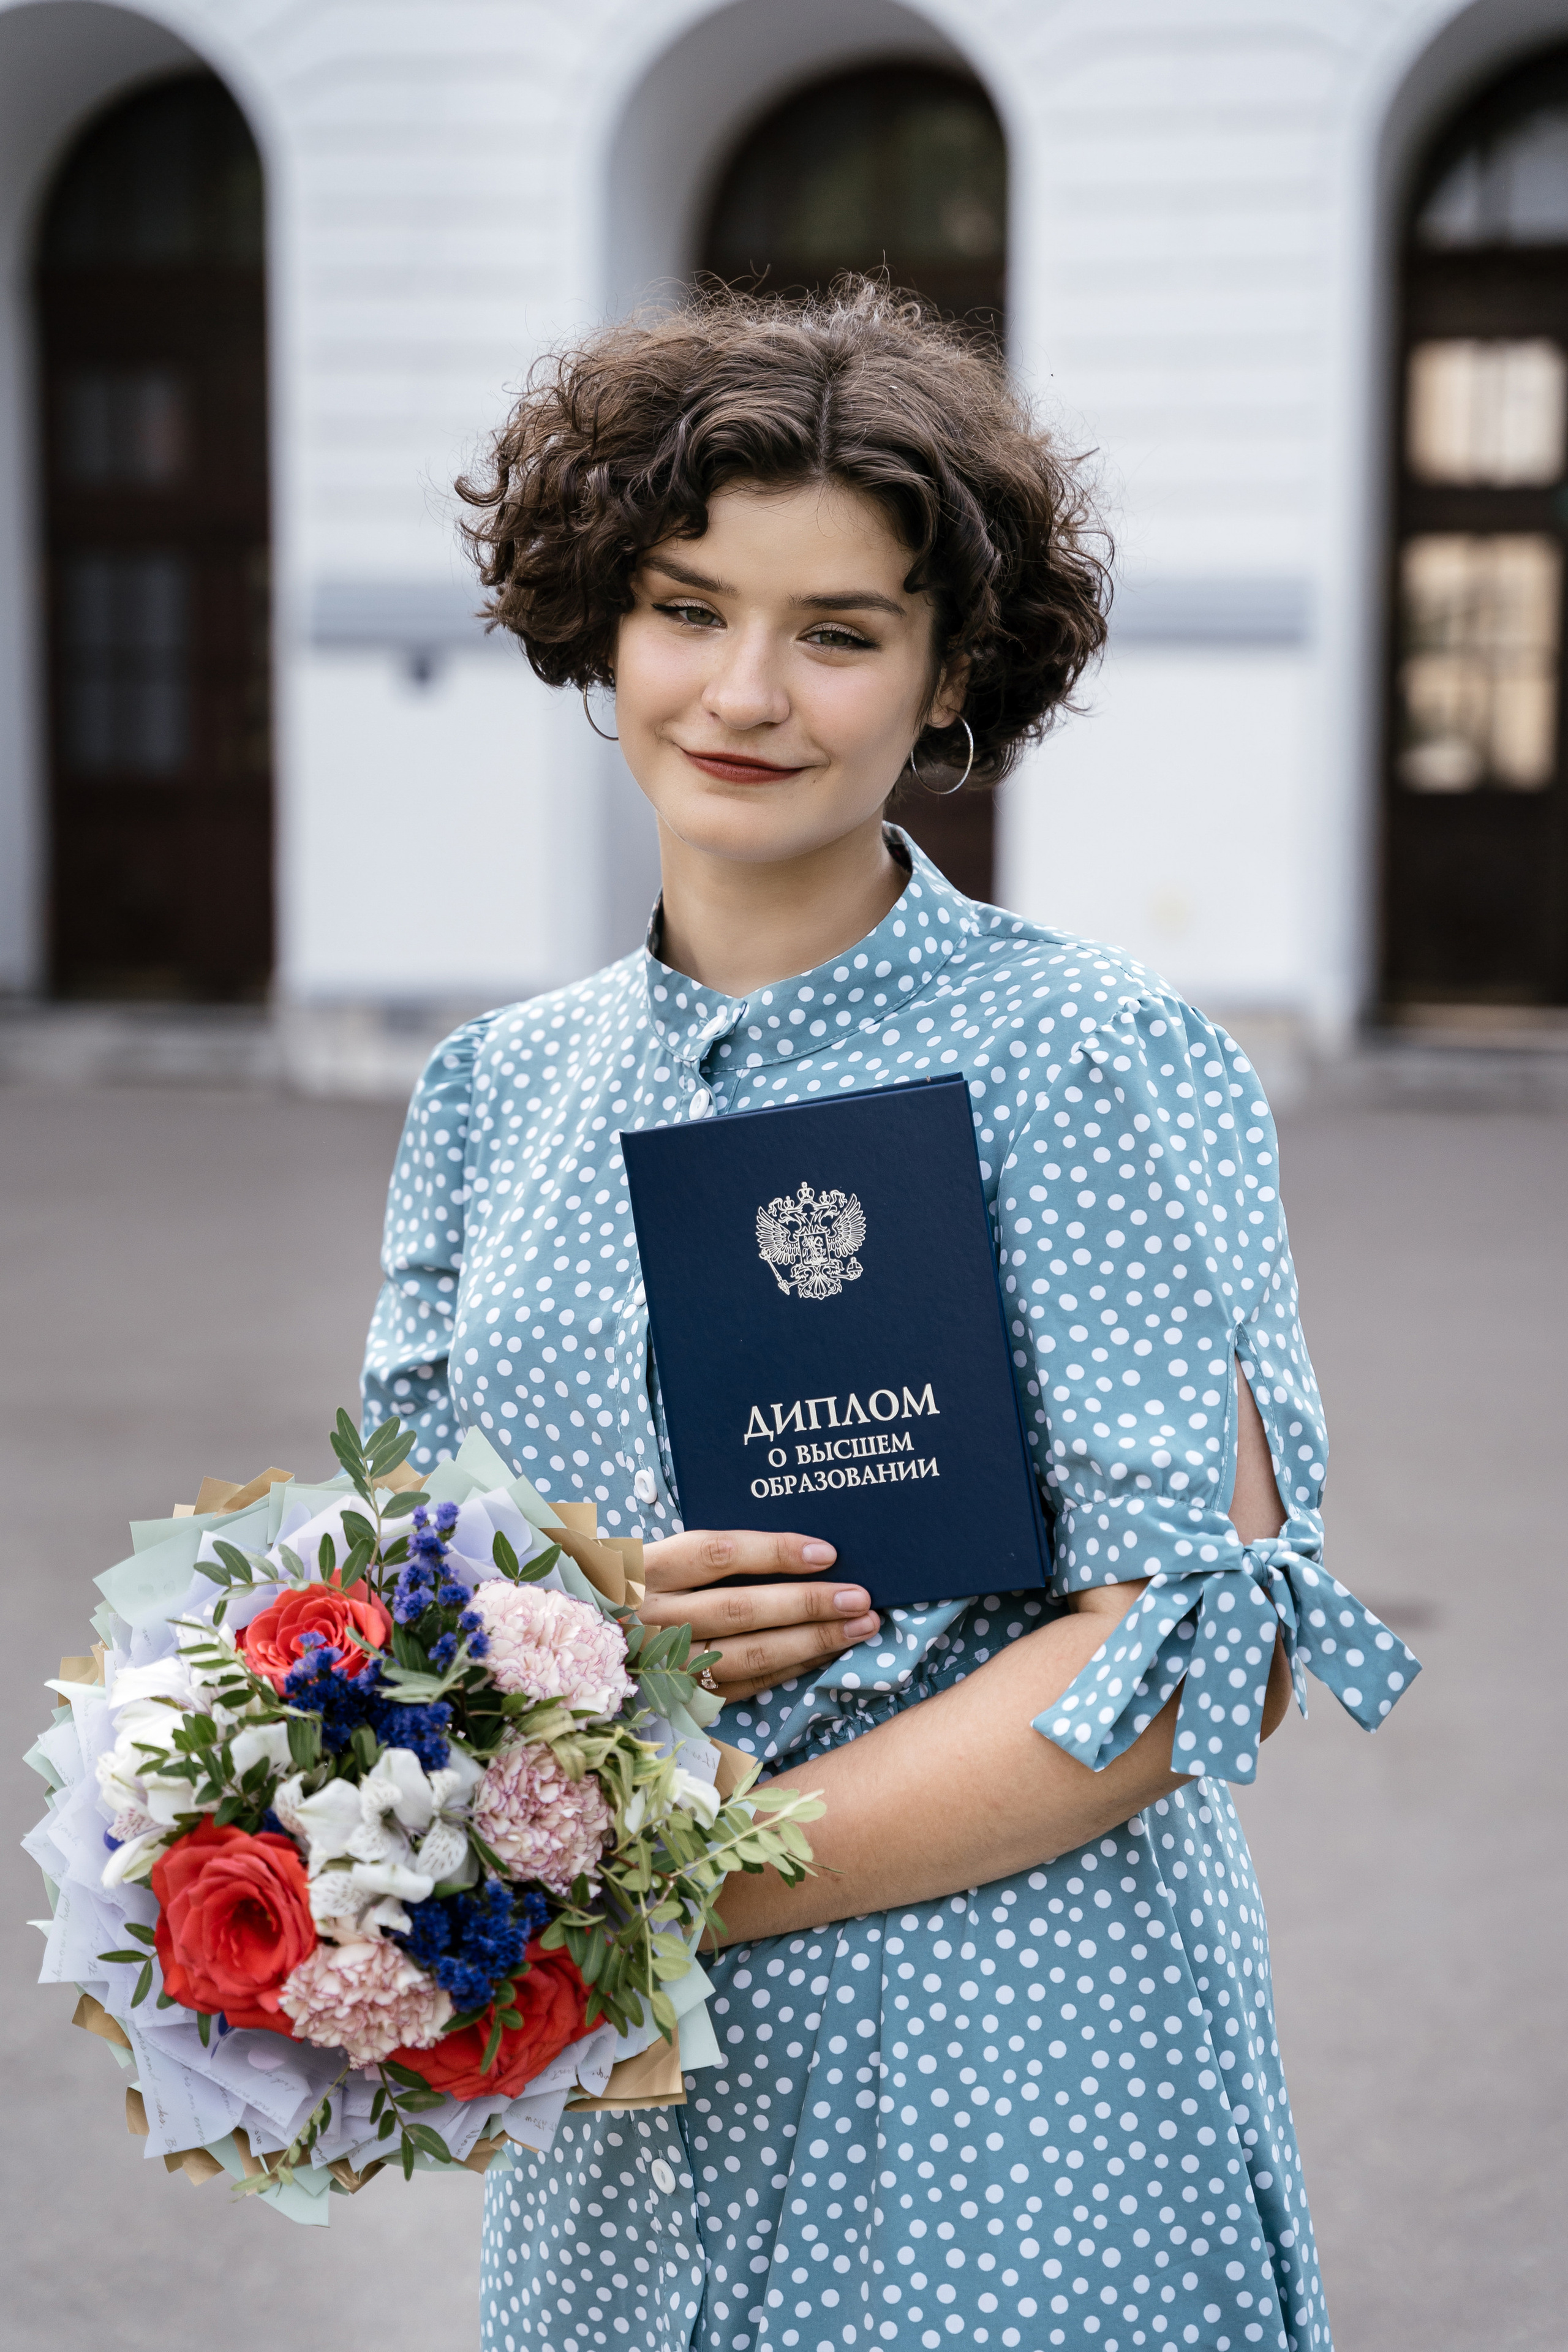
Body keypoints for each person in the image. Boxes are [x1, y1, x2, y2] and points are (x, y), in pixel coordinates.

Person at [363, 282, 1413, 2352]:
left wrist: (678, 1879)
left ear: (951, 677)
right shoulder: (492, 1095)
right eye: (688, 607)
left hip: (1008, 2101)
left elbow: (1194, 1637)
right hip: (621, 2141)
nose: (747, 690)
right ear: (601, 620)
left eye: (839, 631)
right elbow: (389, 1578)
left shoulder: (1088, 1055)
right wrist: (559, 1621)